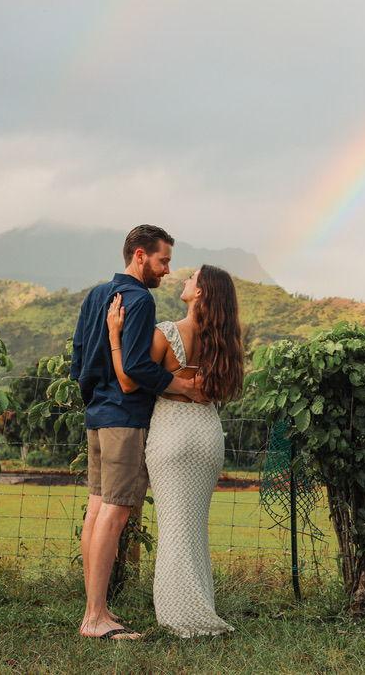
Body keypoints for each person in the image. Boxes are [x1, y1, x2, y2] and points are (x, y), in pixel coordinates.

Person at [70, 224, 207, 640]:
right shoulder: (140, 299)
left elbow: (79, 357)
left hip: (98, 414)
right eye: (163, 260)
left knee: (97, 508)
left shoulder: (97, 294)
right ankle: (95, 617)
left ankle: (95, 609)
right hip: (125, 418)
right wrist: (181, 386)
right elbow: (135, 368)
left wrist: (96, 398)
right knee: (115, 512)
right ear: (140, 255)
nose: (167, 270)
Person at [107, 264, 244, 637]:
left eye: (192, 278)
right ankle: (199, 606)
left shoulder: (168, 332)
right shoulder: (224, 343)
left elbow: (128, 381)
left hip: (173, 433)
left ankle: (181, 615)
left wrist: (115, 336)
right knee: (194, 526)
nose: (185, 280)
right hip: (208, 434)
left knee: (173, 527)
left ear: (200, 292)